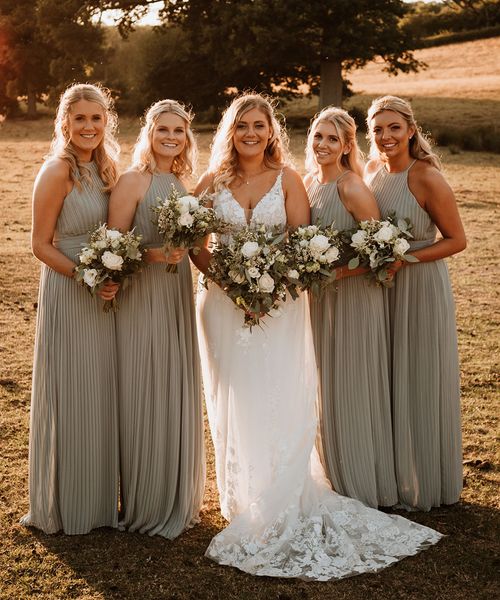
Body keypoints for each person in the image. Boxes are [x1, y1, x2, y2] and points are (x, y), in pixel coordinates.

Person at [192, 93, 441, 581]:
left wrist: (266, 284)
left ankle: (284, 489)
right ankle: (244, 494)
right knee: (234, 395)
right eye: (242, 124)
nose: (251, 133)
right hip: (221, 306)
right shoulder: (210, 181)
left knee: (279, 391)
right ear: (230, 130)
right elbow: (198, 245)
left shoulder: (288, 180)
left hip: (280, 301)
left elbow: (302, 242)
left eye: (259, 125)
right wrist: (230, 284)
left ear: (271, 132)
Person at [21, 83, 120, 534]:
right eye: (79, 119)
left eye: (96, 119)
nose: (88, 127)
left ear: (106, 122)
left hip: (104, 293)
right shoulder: (57, 170)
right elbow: (40, 245)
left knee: (100, 391)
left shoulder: (105, 169)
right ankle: (68, 504)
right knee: (73, 390)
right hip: (69, 287)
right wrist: (86, 276)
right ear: (64, 122)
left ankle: (99, 502)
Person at [107, 99, 204, 538]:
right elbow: (113, 248)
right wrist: (151, 253)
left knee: (174, 383)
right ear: (148, 132)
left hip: (177, 292)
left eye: (178, 131)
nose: (171, 137)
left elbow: (197, 246)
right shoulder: (133, 181)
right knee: (144, 385)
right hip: (143, 294)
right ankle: (145, 499)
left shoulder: (183, 184)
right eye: (163, 129)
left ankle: (173, 494)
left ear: (186, 137)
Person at [365, 95, 466, 511]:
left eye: (393, 127)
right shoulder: (371, 172)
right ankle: (391, 471)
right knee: (388, 375)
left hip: (420, 287)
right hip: (380, 290)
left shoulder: (426, 177)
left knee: (419, 376)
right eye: (377, 129)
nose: (385, 136)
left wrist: (401, 258)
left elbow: (457, 240)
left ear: (410, 130)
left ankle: (427, 478)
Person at [305, 106, 398, 509]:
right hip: (320, 300)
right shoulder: (309, 183)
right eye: (317, 136)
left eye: (332, 139)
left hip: (355, 299)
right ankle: (335, 472)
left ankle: (361, 480)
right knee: (327, 388)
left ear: (346, 146)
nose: (322, 144)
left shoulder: (351, 186)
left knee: (353, 383)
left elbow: (384, 254)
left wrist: (338, 274)